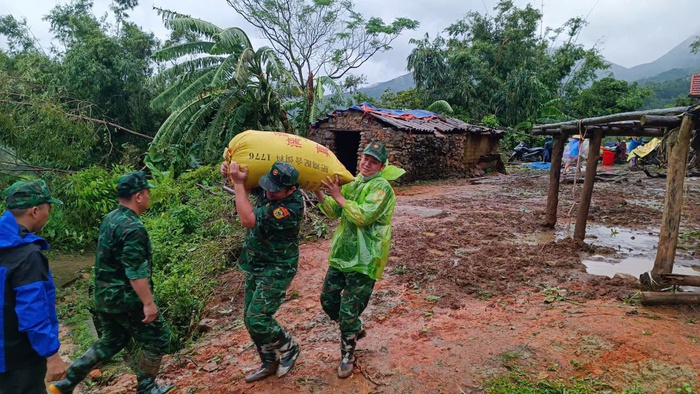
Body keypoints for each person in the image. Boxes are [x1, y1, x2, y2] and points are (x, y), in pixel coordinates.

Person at [49, 171, 174, 394]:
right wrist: (148, 303)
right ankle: (147, 387)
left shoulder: (110, 218)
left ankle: (66, 382)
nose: (148, 196)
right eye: (147, 192)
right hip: (126, 299)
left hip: (104, 296)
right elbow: (135, 271)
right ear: (138, 196)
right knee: (159, 338)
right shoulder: (134, 228)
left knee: (112, 340)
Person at [314, 141, 404, 378]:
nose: (366, 164)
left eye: (373, 161)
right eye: (365, 158)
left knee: (348, 309)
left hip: (366, 258)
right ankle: (353, 328)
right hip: (343, 253)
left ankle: (348, 354)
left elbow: (363, 216)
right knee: (328, 298)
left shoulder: (382, 188)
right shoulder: (353, 183)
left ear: (382, 166)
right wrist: (318, 190)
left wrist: (338, 196)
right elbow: (334, 211)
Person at [219, 161, 303, 382]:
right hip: (257, 263)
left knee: (258, 318)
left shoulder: (289, 208)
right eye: (268, 186)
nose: (268, 192)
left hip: (278, 266)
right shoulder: (272, 189)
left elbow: (248, 220)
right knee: (249, 318)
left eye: (275, 190)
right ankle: (269, 361)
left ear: (291, 190)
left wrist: (237, 183)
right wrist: (231, 174)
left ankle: (289, 347)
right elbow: (248, 187)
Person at [0, 180, 67, 393]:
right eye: (49, 208)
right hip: (18, 361)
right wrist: (52, 355)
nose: (49, 213)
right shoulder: (27, 256)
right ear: (35, 211)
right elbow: (33, 312)